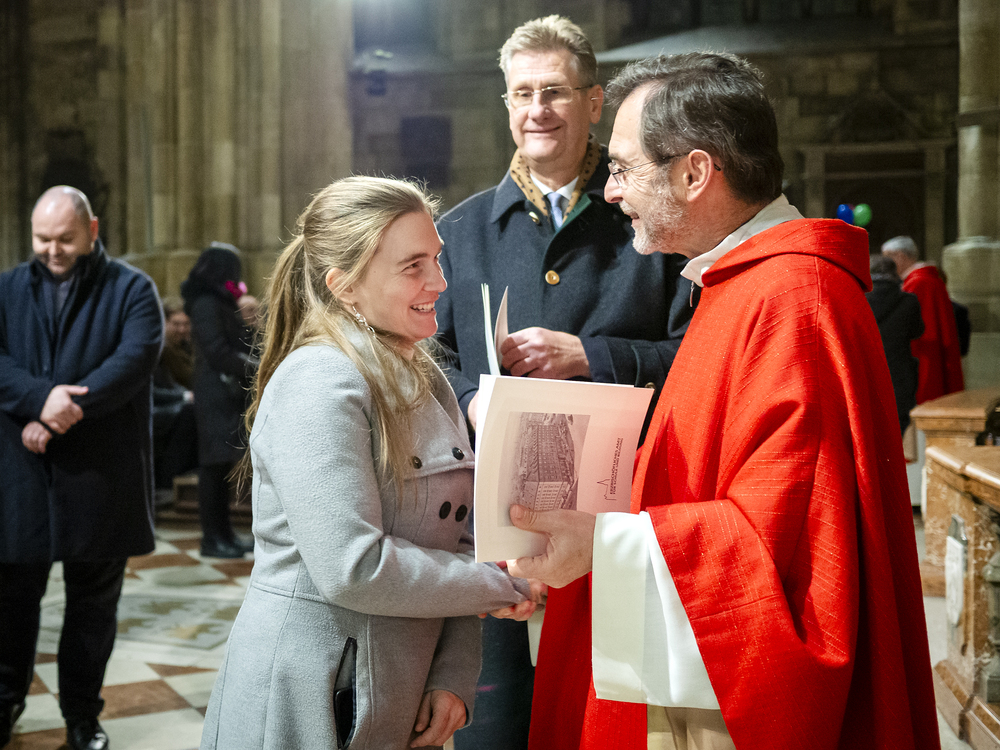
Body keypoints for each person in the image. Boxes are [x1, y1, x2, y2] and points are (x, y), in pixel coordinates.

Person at [505, 53, 939, 750]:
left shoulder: (794, 300)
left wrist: (604, 545)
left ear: (695, 173)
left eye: (622, 168)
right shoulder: (739, 283)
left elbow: (789, 550)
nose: (610, 192)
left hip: (728, 697)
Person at [199, 176, 540, 750]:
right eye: (413, 266)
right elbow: (353, 566)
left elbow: (457, 540)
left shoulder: (426, 374)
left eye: (437, 258)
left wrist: (451, 675)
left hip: (401, 688)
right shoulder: (319, 380)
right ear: (346, 286)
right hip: (314, 693)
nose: (440, 282)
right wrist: (500, 585)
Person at [435, 17, 696, 748]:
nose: (537, 109)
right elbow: (426, 361)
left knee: (605, 727)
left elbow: (697, 356)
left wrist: (593, 356)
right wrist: (471, 400)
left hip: (621, 519)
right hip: (496, 526)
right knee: (494, 732)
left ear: (594, 101)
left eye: (554, 91)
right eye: (521, 94)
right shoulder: (460, 231)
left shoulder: (653, 224)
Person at [0, 186, 163, 750]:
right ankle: (4, 702)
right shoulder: (6, 288)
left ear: (92, 230)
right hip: (21, 475)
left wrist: (58, 414)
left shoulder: (132, 289)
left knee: (92, 609)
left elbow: (133, 359)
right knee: (9, 603)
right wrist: (38, 399)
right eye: (42, 238)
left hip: (99, 475)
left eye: (65, 239)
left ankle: (81, 717)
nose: (52, 250)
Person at [180, 244, 257, 559]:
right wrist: (255, 368)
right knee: (213, 468)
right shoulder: (206, 303)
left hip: (227, 393)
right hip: (215, 393)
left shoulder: (221, 302)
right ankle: (212, 539)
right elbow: (217, 351)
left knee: (222, 466)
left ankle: (226, 534)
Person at [881, 236, 964, 404]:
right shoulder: (930, 279)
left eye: (888, 258)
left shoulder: (917, 284)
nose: (887, 264)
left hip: (923, 353)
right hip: (931, 350)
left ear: (900, 256)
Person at [866, 255, 924, 434]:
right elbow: (917, 331)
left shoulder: (859, 299)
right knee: (898, 425)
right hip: (900, 371)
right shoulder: (909, 301)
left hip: (868, 371)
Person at [152, 298, 198, 490]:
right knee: (190, 413)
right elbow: (152, 390)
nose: (182, 329)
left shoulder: (186, 347)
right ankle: (169, 482)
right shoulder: (158, 350)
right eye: (176, 324)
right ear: (164, 323)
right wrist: (185, 396)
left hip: (174, 403)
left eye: (186, 324)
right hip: (156, 408)